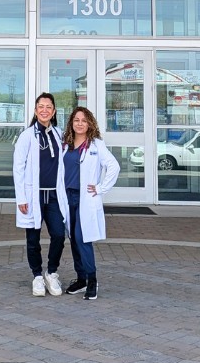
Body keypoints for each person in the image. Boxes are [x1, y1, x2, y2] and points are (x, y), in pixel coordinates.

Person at [58, 106, 120, 300]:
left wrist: (100, 188)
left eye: (84, 120)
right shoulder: (65, 143)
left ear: (90, 123)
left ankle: (92, 280)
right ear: (71, 123)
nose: (79, 123)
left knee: (83, 238)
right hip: (67, 198)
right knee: (73, 239)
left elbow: (113, 166)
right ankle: (81, 278)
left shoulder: (96, 145)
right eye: (76, 120)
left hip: (84, 198)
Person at [13, 93, 65, 297]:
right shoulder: (27, 136)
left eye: (48, 107)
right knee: (32, 239)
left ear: (53, 112)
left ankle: (51, 273)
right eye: (40, 107)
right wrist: (21, 198)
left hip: (53, 196)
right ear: (36, 111)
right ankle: (36, 276)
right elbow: (18, 168)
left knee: (59, 235)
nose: (44, 110)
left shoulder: (60, 134)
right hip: (32, 196)